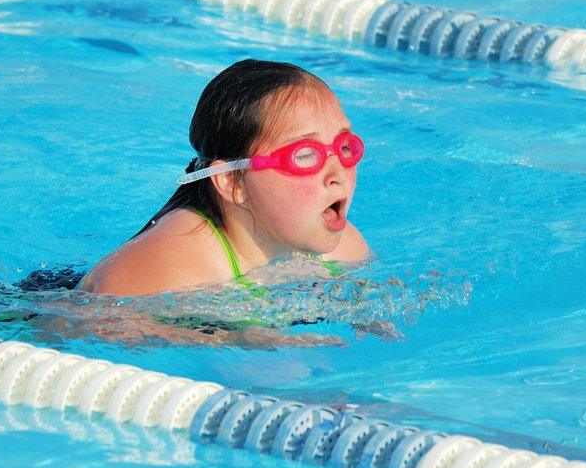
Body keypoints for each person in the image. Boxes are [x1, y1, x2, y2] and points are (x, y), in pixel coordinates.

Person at [77, 59, 370, 297]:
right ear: (232, 182)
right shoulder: (166, 266)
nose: (338, 175)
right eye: (305, 156)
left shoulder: (343, 245)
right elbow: (85, 332)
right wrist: (230, 336)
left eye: (344, 147)